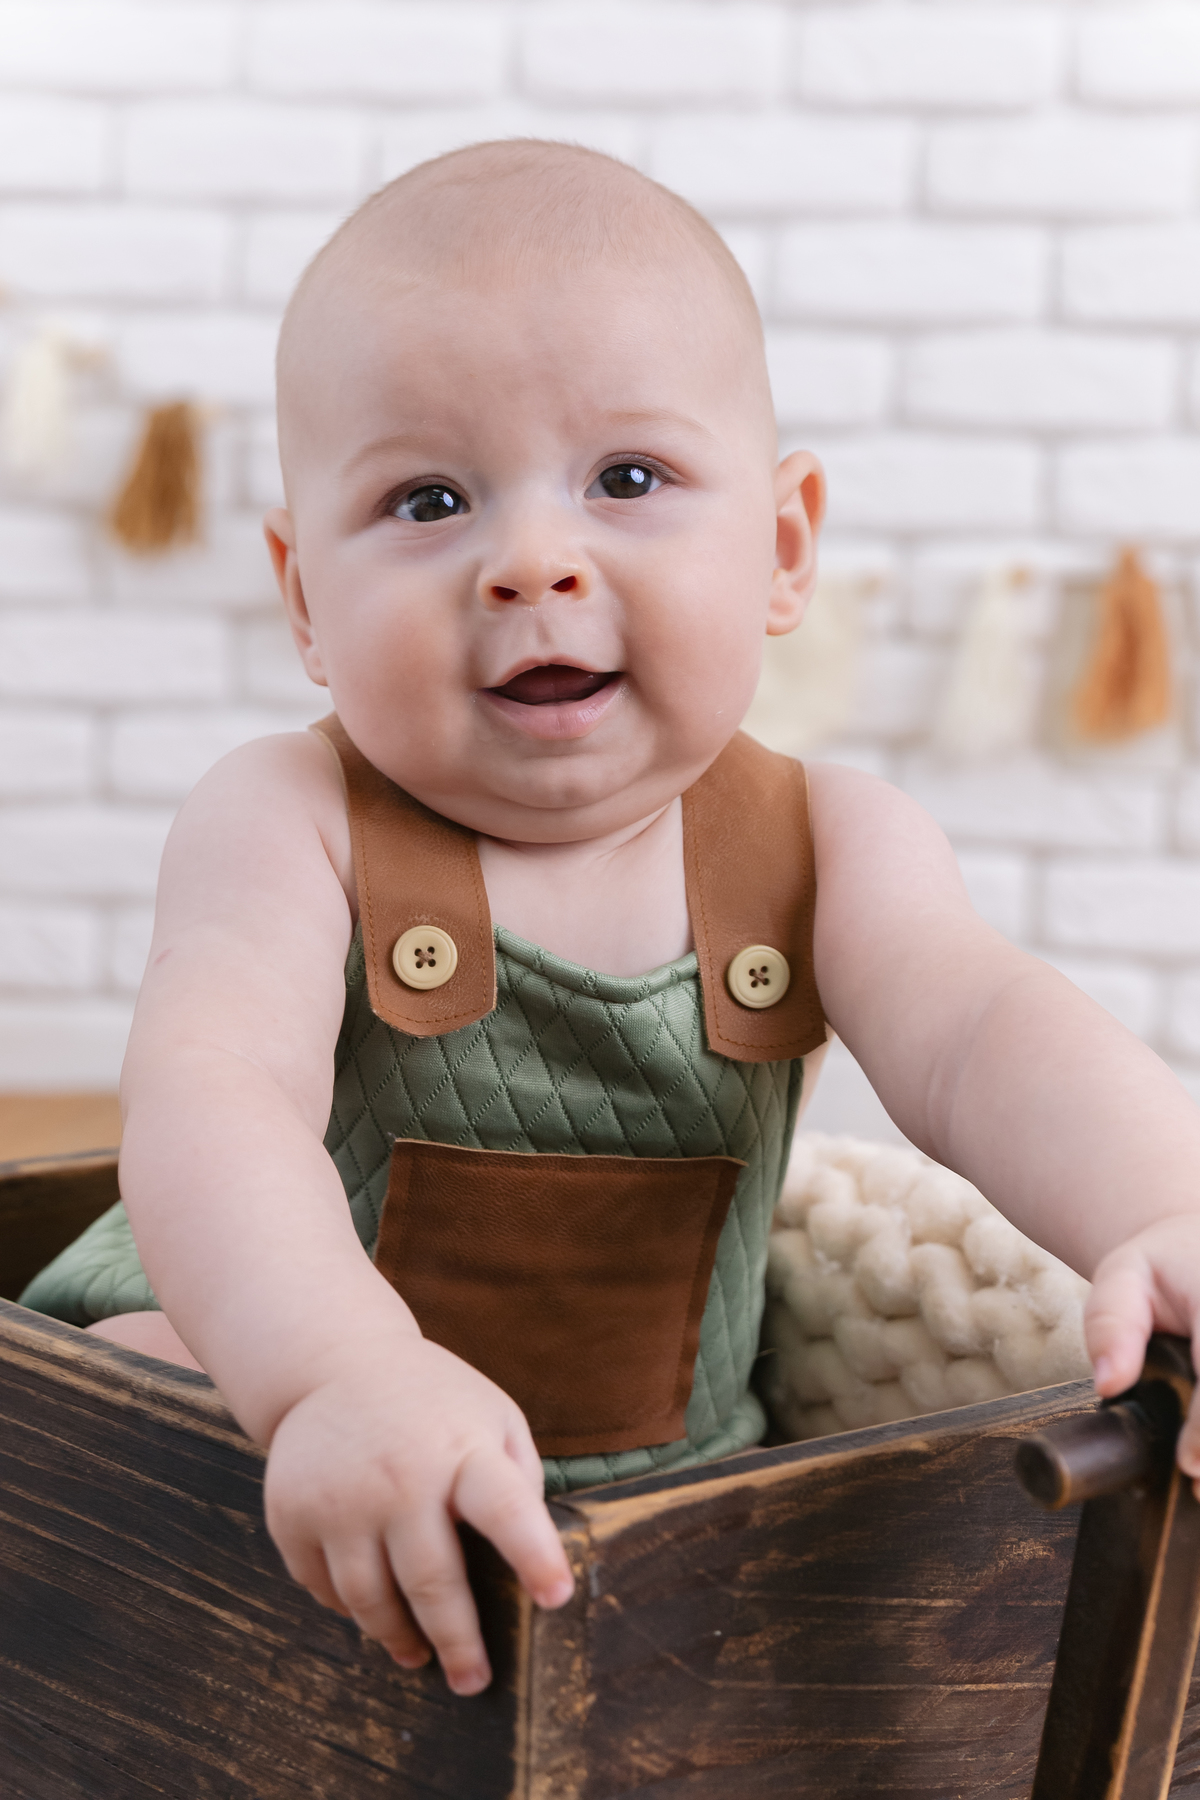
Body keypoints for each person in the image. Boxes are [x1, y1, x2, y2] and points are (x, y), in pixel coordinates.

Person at [21, 140, 1200, 1702]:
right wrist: (335, 1376)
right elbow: (211, 1097)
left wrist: (1167, 1209)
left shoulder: (827, 845)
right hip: (273, 1386)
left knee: (812, 1582)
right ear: (306, 602)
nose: (532, 561)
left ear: (782, 549)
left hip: (651, 1492)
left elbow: (989, 1035)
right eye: (429, 500)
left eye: (626, 480)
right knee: (141, 1404)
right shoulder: (288, 820)